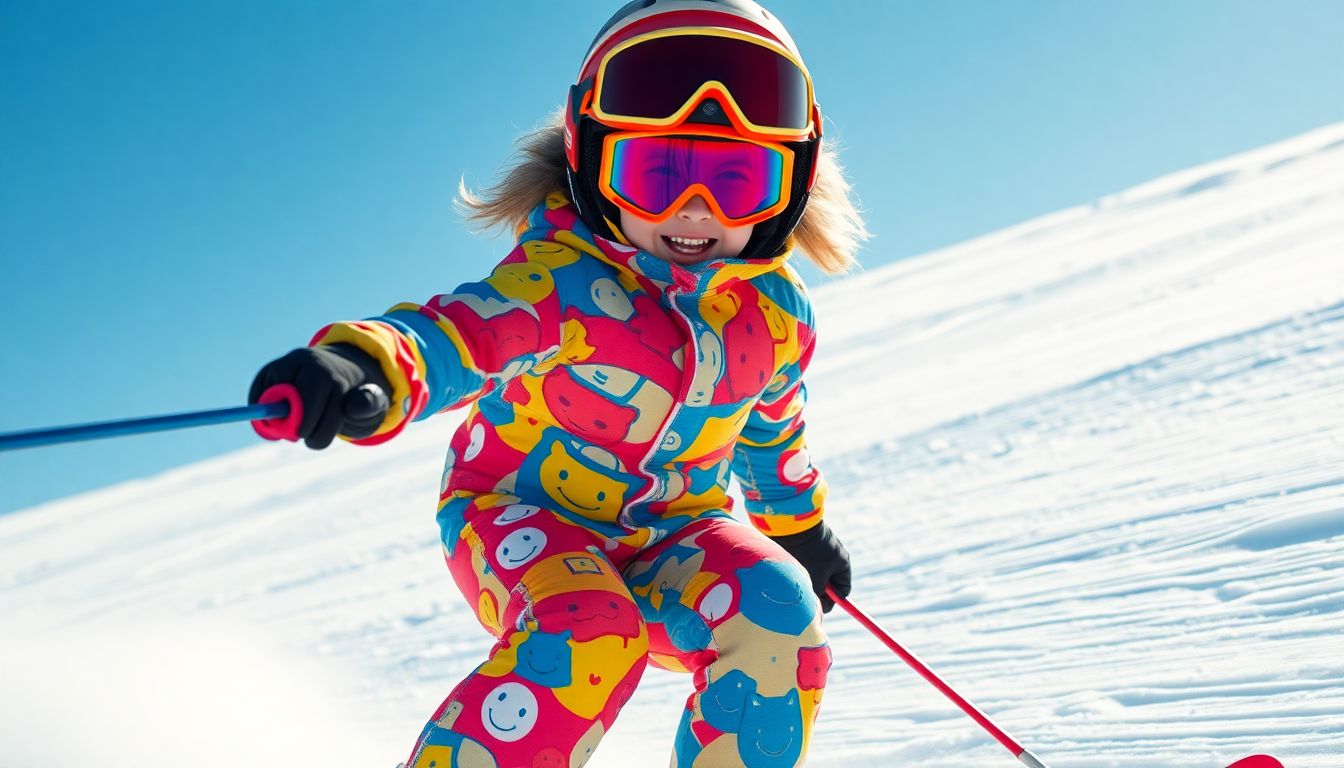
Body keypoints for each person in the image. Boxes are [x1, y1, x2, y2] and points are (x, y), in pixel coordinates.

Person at [248, 1, 867, 766]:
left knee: (779, 614)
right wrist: (367, 365)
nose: (694, 212)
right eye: (658, 176)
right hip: (521, 512)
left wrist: (796, 527)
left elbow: (772, 432)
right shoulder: (562, 282)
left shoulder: (774, 315)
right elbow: (460, 335)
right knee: (591, 629)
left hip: (677, 529)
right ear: (594, 163)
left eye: (736, 182)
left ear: (790, 187)